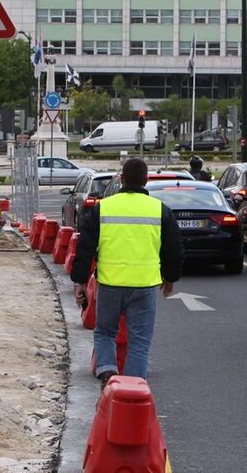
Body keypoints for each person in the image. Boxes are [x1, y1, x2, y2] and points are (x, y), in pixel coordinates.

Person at [72, 157, 183, 389]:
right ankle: (132, 384)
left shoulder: (103, 208)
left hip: (110, 283)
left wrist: (80, 281)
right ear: (146, 180)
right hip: (145, 285)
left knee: (105, 331)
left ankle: (106, 372)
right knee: (140, 340)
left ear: (121, 179)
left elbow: (85, 247)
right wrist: (170, 278)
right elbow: (173, 248)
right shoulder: (160, 210)